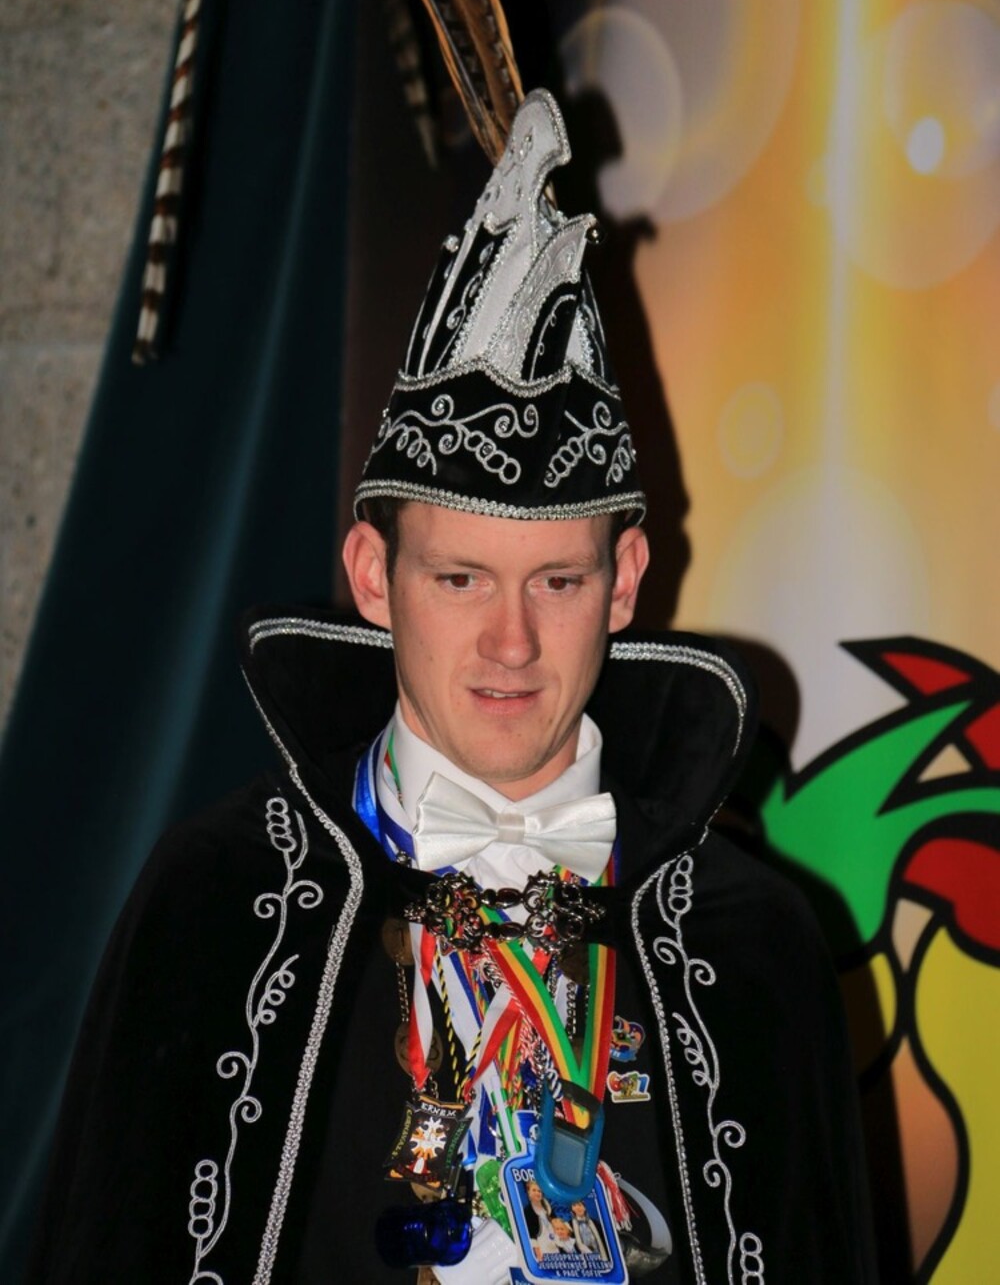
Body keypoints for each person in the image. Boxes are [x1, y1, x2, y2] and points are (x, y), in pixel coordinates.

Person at [26, 90, 877, 1283]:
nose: (511, 644)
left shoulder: (751, 946)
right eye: (461, 578)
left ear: (627, 581)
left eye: (559, 582)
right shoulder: (217, 905)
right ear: (374, 576)